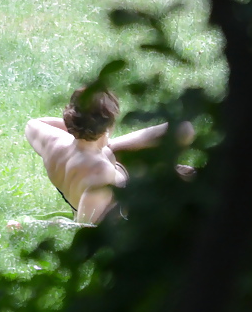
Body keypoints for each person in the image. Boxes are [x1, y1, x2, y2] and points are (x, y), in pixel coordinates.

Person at [24, 87, 195, 225]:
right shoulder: (101, 172)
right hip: (125, 192)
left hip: (99, 153)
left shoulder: (54, 141)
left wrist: (82, 128)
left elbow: (33, 124)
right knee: (190, 181)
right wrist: (34, 224)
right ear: (109, 125)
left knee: (183, 129)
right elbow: (83, 225)